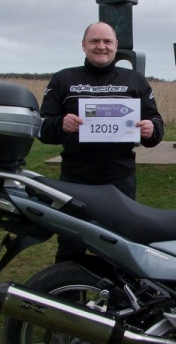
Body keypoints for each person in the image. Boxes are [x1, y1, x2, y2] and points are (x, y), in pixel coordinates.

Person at [39, 21, 164, 263]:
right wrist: (60, 125)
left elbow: (155, 122)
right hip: (75, 178)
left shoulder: (134, 80)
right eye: (95, 41)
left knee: (119, 246)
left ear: (116, 46)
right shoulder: (63, 79)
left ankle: (119, 301)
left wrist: (151, 129)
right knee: (70, 243)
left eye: (107, 41)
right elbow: (42, 126)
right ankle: (67, 292)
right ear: (84, 45)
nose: (101, 46)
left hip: (120, 179)